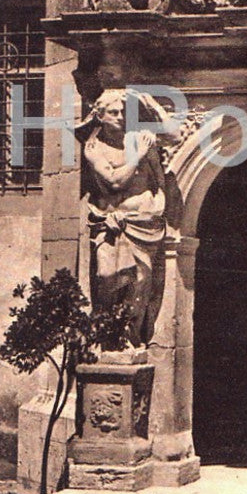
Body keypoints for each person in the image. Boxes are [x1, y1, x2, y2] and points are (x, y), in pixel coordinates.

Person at [80, 90, 168, 347]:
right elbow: (115, 182)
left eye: (123, 112)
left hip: (143, 223)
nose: (120, 117)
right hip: (111, 223)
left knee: (140, 281)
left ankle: (129, 339)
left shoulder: (139, 138)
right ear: (99, 115)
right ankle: (107, 335)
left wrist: (152, 104)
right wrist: (137, 156)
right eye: (113, 112)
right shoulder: (94, 148)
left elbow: (163, 165)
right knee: (107, 276)